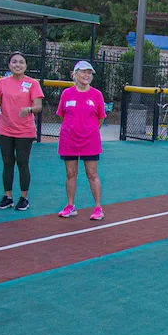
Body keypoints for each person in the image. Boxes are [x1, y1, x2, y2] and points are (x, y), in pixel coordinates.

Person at [0, 52, 43, 211]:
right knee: (7, 163)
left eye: (21, 62)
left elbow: (38, 106)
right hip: (5, 129)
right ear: (9, 65)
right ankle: (8, 197)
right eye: (14, 62)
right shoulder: (2, 83)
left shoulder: (32, 83)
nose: (18, 64)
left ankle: (24, 198)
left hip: (25, 131)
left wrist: (29, 109)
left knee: (22, 162)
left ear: (26, 65)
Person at [56, 61, 107, 221]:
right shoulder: (66, 94)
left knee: (92, 174)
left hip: (90, 141)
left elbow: (100, 119)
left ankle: (98, 208)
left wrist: (89, 131)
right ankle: (70, 206)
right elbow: (62, 115)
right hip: (68, 141)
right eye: (84, 72)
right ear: (75, 74)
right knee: (71, 173)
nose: (87, 75)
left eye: (89, 73)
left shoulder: (97, 94)